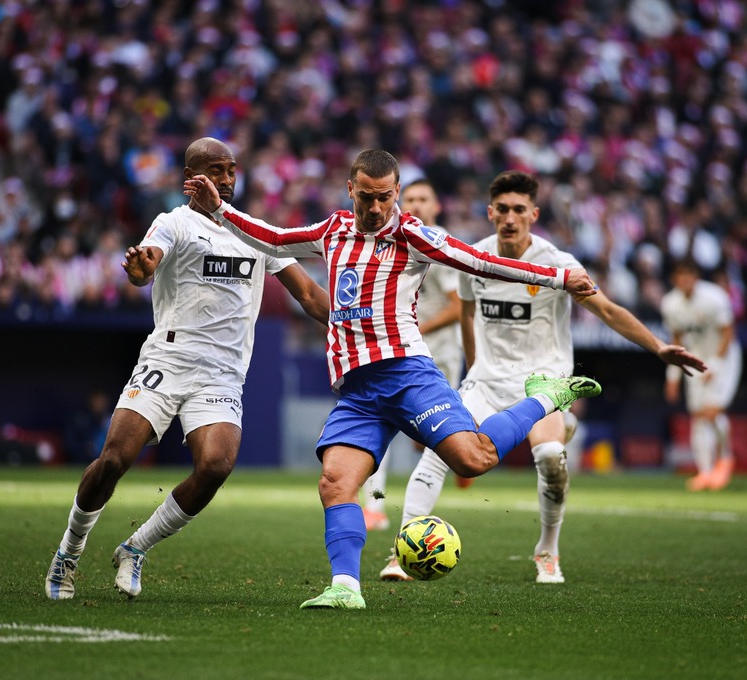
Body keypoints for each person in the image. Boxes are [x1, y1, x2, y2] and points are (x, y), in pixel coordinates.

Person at [184, 149, 604, 610]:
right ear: (351, 190)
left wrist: (559, 277)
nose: (376, 207)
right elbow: (275, 238)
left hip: (407, 374)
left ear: (397, 192)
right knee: (335, 483)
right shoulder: (333, 230)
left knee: (473, 459)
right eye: (367, 197)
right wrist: (219, 210)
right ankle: (346, 587)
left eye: (385, 197)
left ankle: (544, 399)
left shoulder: (412, 234)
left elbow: (478, 262)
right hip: (358, 390)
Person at [377, 171, 707, 583]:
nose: (510, 218)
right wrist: (475, 368)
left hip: (543, 384)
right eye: (503, 209)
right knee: (436, 452)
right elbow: (465, 314)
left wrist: (658, 347)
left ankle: (547, 551)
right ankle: (399, 552)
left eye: (519, 210)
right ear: (490, 212)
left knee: (550, 458)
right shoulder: (472, 258)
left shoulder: (557, 264)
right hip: (486, 381)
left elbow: (607, 311)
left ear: (533, 214)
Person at [44, 137, 330, 601]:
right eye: (215, 170)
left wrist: (358, 326)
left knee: (216, 464)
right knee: (115, 458)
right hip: (168, 360)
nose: (226, 179)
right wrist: (138, 270)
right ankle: (68, 553)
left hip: (221, 373)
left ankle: (135, 548)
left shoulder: (254, 231)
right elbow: (145, 266)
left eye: (231, 170)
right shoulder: (173, 222)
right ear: (190, 179)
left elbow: (311, 296)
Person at [360, 178, 463, 532]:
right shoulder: (394, 239)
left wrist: (417, 330)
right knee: (381, 421)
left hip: (441, 352)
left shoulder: (438, 242)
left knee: (434, 438)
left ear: (436, 207)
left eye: (425, 199)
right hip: (402, 350)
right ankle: (373, 506)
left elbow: (458, 307)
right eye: (412, 198)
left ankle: (461, 457)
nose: (417, 205)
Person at [661, 259, 742, 491]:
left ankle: (725, 459)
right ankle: (704, 472)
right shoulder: (670, 304)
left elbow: (728, 333)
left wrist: (715, 366)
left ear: (696, 277)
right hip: (695, 359)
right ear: (674, 279)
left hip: (724, 359)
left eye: (690, 275)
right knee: (697, 416)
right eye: (681, 275)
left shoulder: (715, 297)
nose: (686, 280)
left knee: (712, 411)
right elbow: (676, 339)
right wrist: (673, 376)